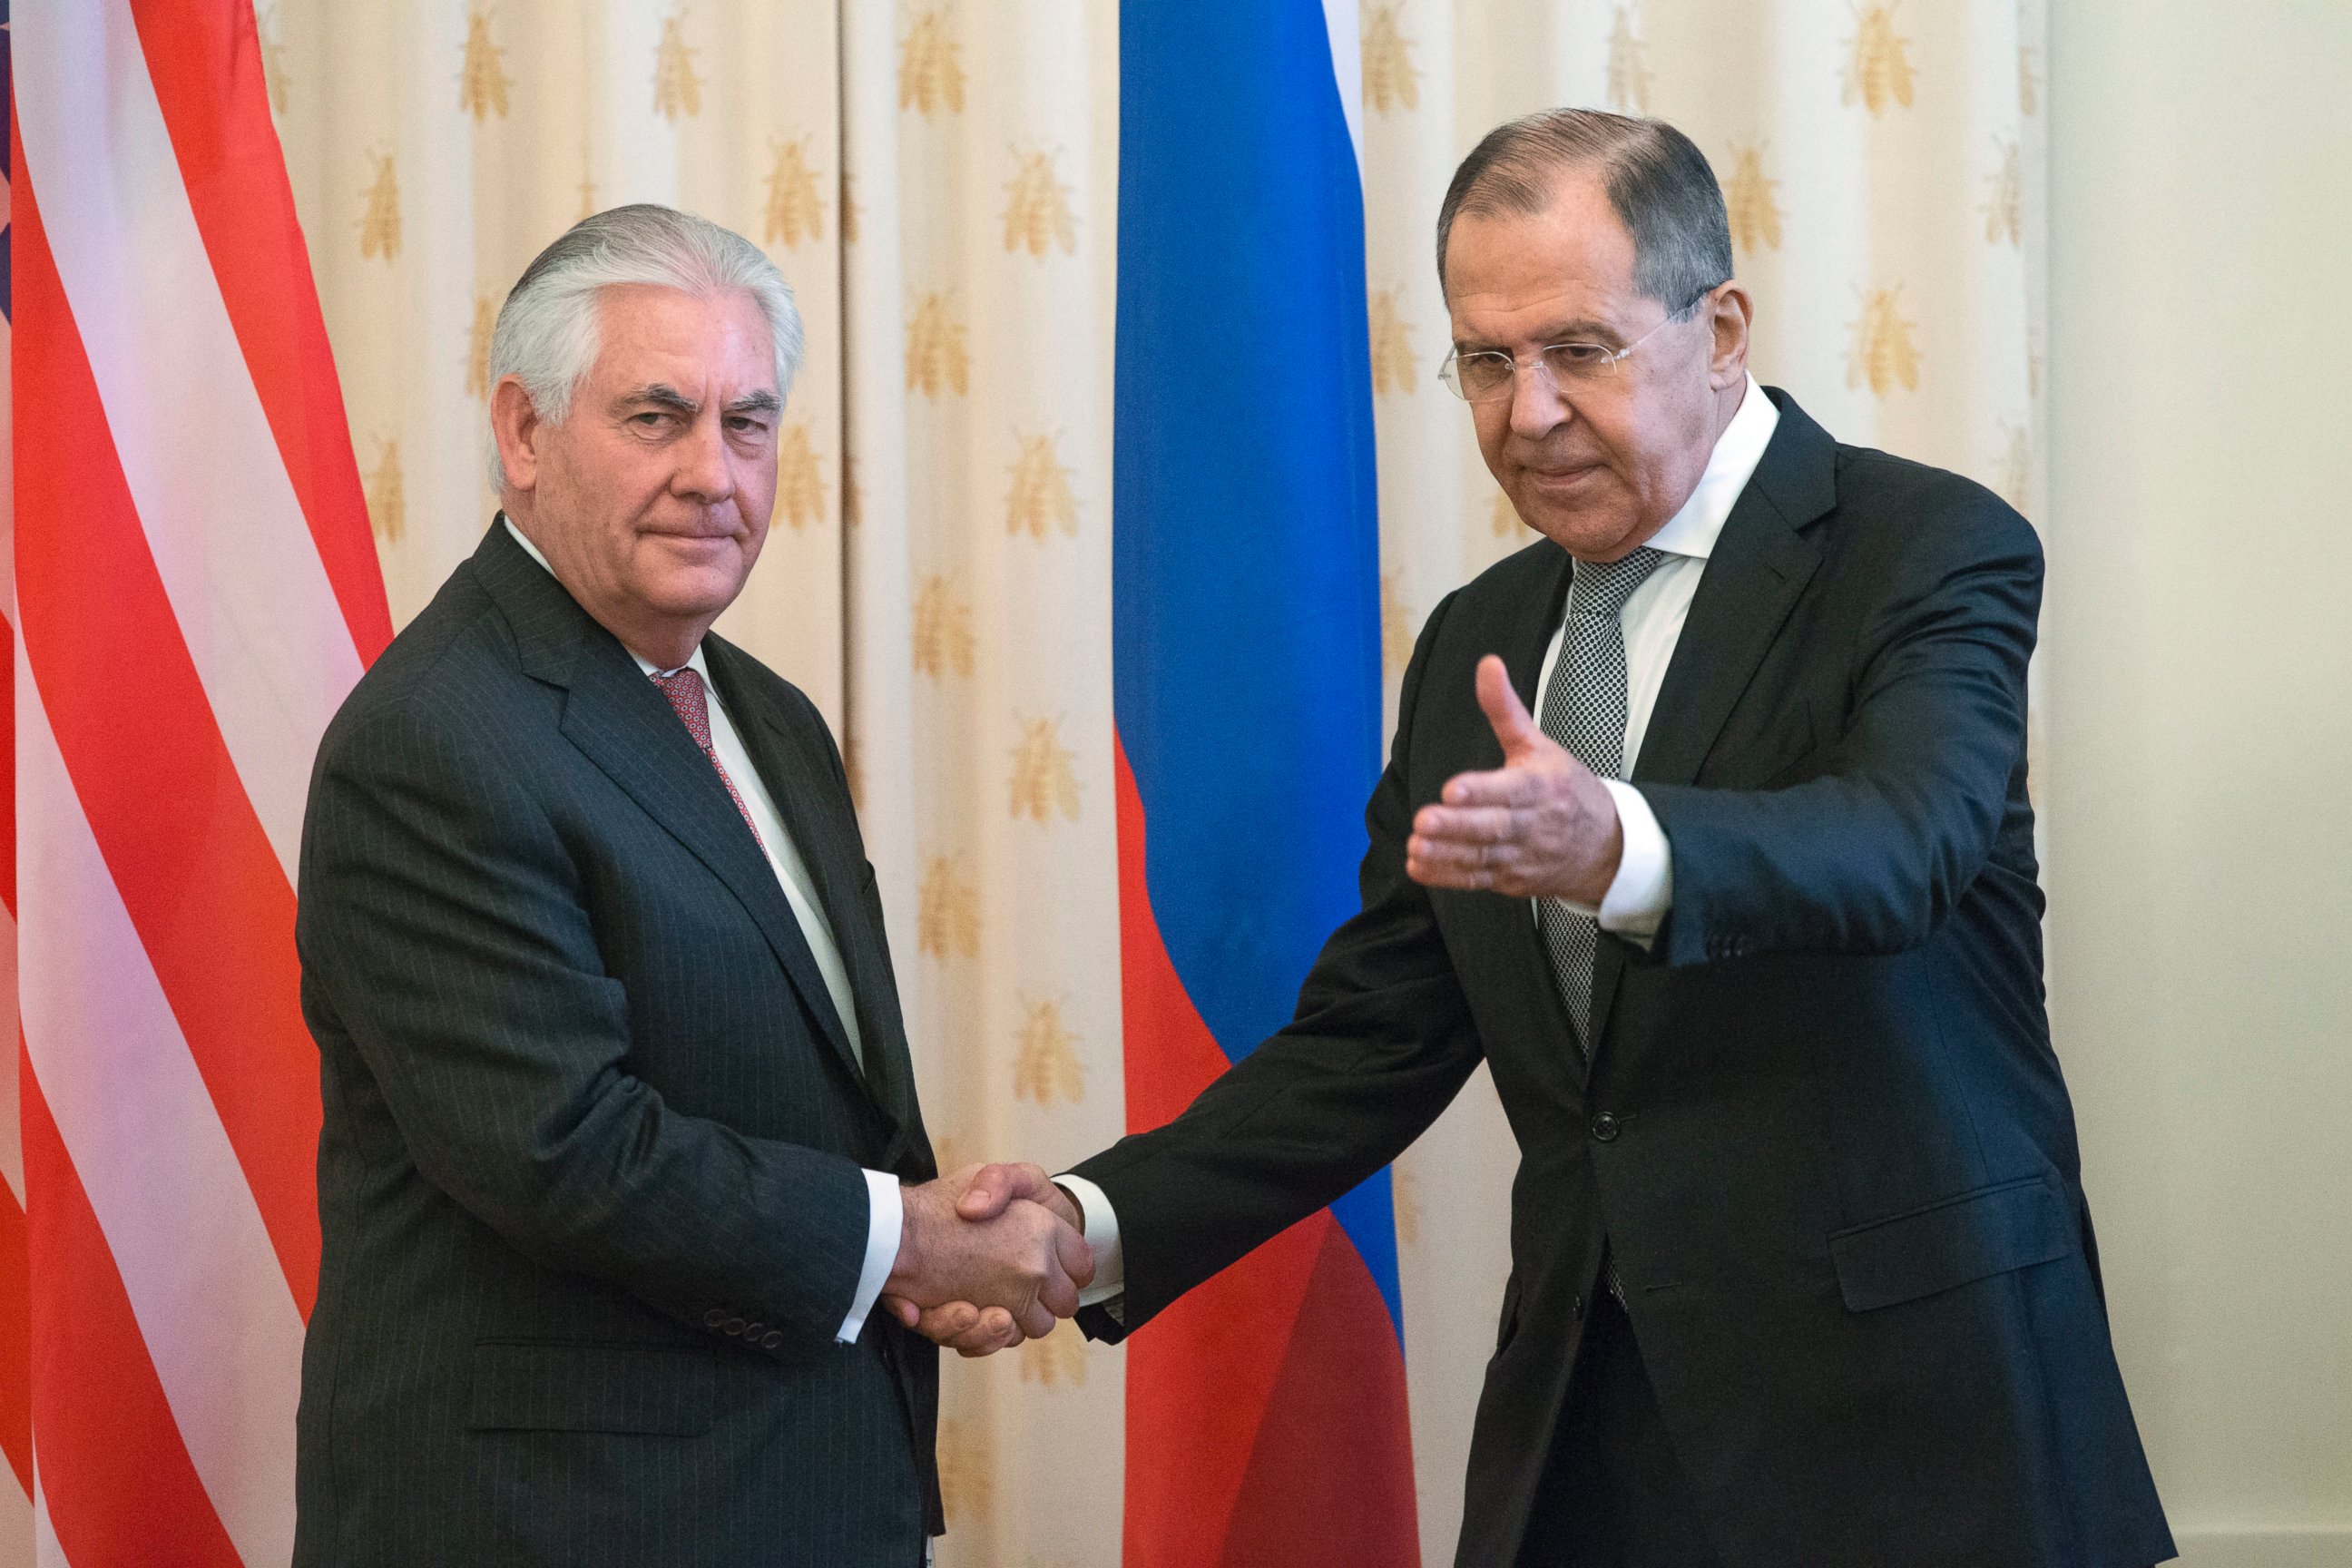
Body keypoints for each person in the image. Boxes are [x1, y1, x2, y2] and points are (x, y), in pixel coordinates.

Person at [925, 112, 2175, 1567]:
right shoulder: (1482, 641)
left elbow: (1903, 843)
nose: (1526, 415)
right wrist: (1086, 1226)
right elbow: (1375, 1036)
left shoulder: (1920, 548)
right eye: (1484, 360)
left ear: (1721, 330)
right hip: (1592, 1447)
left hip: (1913, 1435)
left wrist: (1622, 849)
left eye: (1579, 349)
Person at [292, 204, 1090, 1568]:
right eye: (656, 418)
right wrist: (905, 1242)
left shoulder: (766, 717)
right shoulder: (436, 737)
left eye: (748, 425)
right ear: (524, 434)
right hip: (556, 1524)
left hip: (792, 1490)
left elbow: (796, 1099)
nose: (712, 475)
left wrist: (912, 1249)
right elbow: (565, 1152)